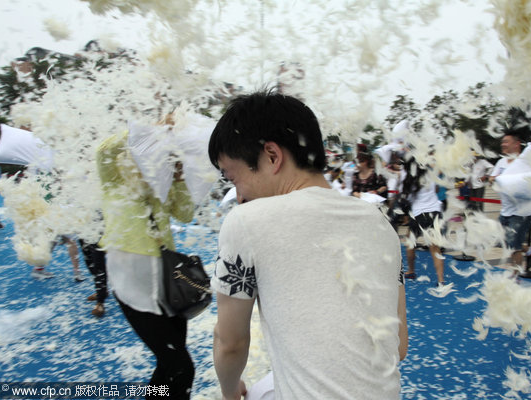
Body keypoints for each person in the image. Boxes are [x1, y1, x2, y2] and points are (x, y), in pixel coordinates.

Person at [208, 91, 408, 400]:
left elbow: (230, 343)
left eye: (234, 178)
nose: (239, 195)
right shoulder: (380, 223)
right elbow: (398, 345)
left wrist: (230, 392)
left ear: (272, 156)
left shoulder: (246, 221)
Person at [97, 124, 196, 399]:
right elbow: (105, 148)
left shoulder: (162, 184)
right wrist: (155, 129)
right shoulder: (113, 179)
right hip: (132, 285)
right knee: (182, 368)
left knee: (169, 365)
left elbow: (186, 215)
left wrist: (179, 178)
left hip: (169, 283)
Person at [489, 133, 531, 279]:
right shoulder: (501, 162)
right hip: (505, 210)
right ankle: (529, 250)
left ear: (516, 144)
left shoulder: (525, 163)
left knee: (514, 246)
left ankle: (515, 276)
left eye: (506, 142)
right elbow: (493, 179)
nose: (503, 144)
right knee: (504, 242)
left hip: (522, 212)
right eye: (502, 142)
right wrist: (493, 179)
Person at [401, 157, 446, 285]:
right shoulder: (430, 175)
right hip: (435, 213)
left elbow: (407, 200)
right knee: (435, 248)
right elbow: (436, 190)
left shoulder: (409, 181)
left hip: (418, 214)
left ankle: (411, 271)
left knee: (410, 243)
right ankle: (441, 280)